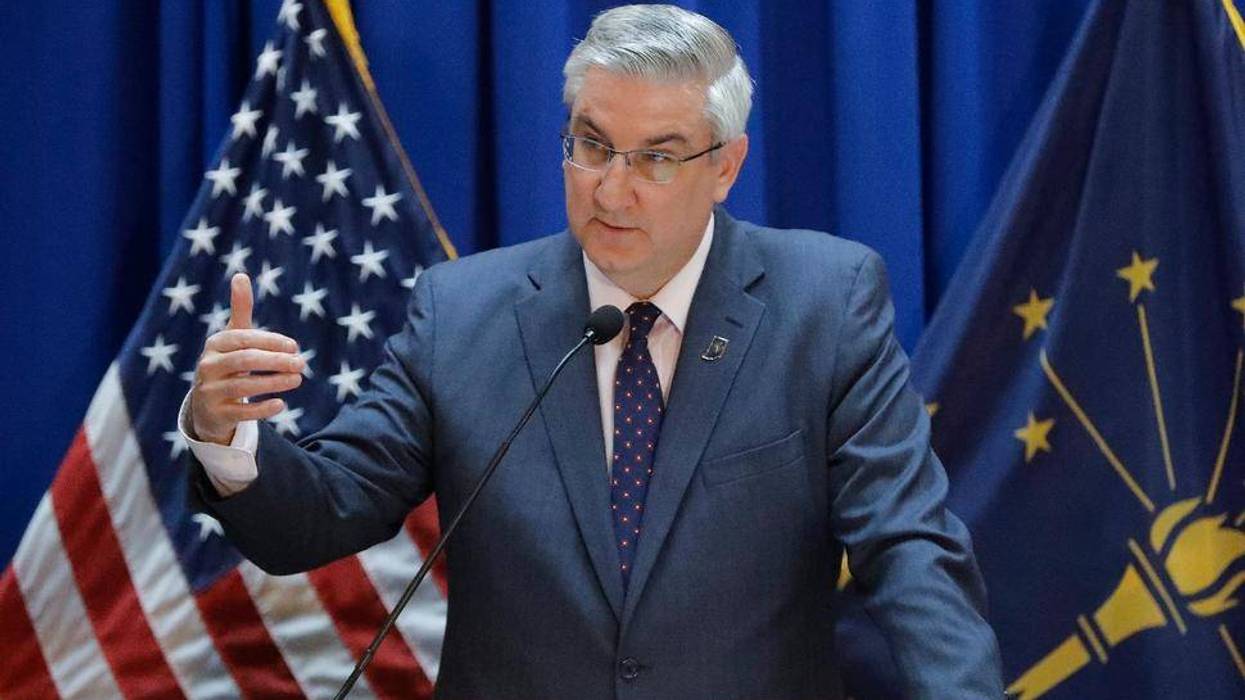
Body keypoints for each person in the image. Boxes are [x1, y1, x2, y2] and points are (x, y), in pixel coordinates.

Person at [183, 5, 1005, 698]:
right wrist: (227, 437)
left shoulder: (824, 303)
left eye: (656, 157)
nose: (612, 189)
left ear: (725, 166)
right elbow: (323, 511)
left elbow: (907, 546)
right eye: (592, 145)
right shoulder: (462, 312)